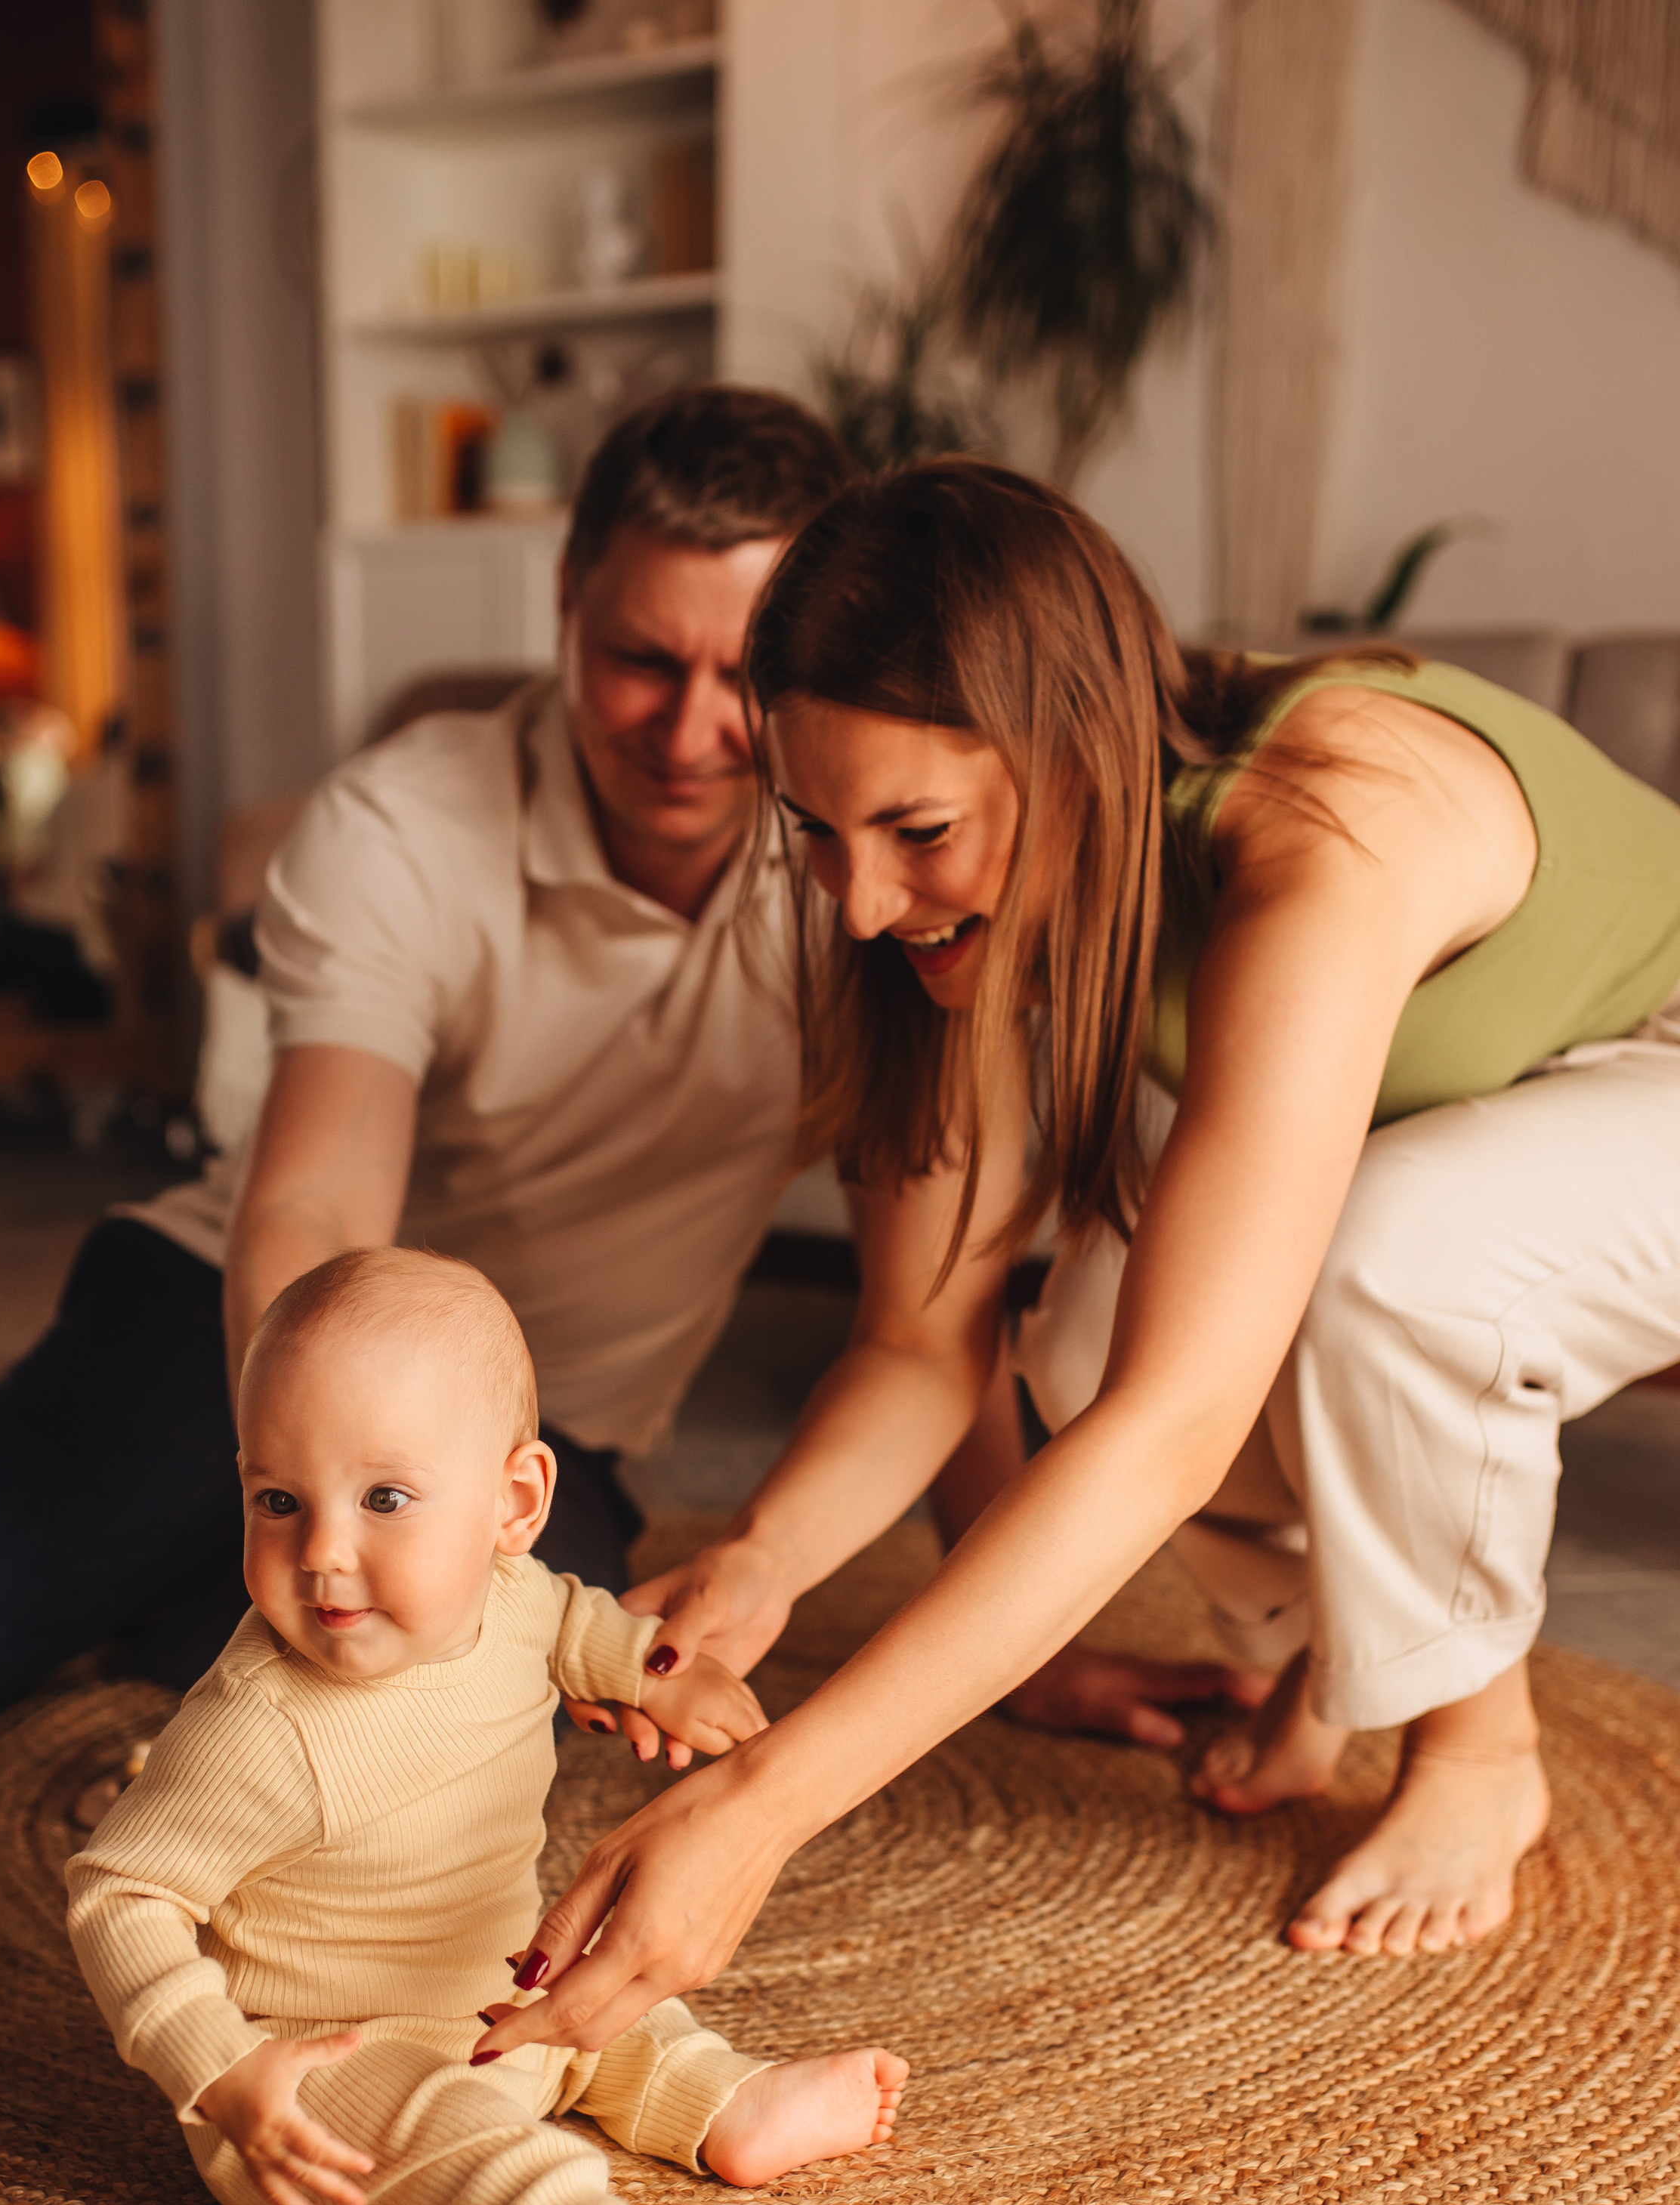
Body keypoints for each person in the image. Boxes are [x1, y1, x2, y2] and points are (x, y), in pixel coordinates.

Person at [466, 456, 1680, 2080]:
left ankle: (1475, 1747)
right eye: (815, 830)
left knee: (1378, 1261)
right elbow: (919, 1336)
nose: (862, 901)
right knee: (1090, 1312)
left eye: (917, 831)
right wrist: (767, 1558)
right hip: (1502, 1112)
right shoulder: (950, 904)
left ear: (1073, 753)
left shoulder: (1326, 827)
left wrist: (764, 1807)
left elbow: (1174, 1431)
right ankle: (1332, 1649)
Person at [0, 387, 872, 1783]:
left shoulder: (857, 859)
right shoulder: (400, 821)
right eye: (642, 659)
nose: (692, 728)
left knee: (376, 1682)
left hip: (552, 1433)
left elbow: (933, 1304)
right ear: (569, 593)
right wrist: (340, 1498)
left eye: (744, 674)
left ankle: (41, 1529)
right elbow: (323, 1192)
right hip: (243, 1335)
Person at [66, 1247, 957, 2205]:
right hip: (323, 2076)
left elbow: (587, 1627)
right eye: (279, 1501)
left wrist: (669, 1670)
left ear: (515, 1507)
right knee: (510, 2176)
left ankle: (726, 2105)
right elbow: (121, 1896)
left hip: (494, 1998)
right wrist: (219, 2072)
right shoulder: (257, 1727)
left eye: (384, 1500)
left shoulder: (513, 1597)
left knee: (609, 1996)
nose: (323, 1553)